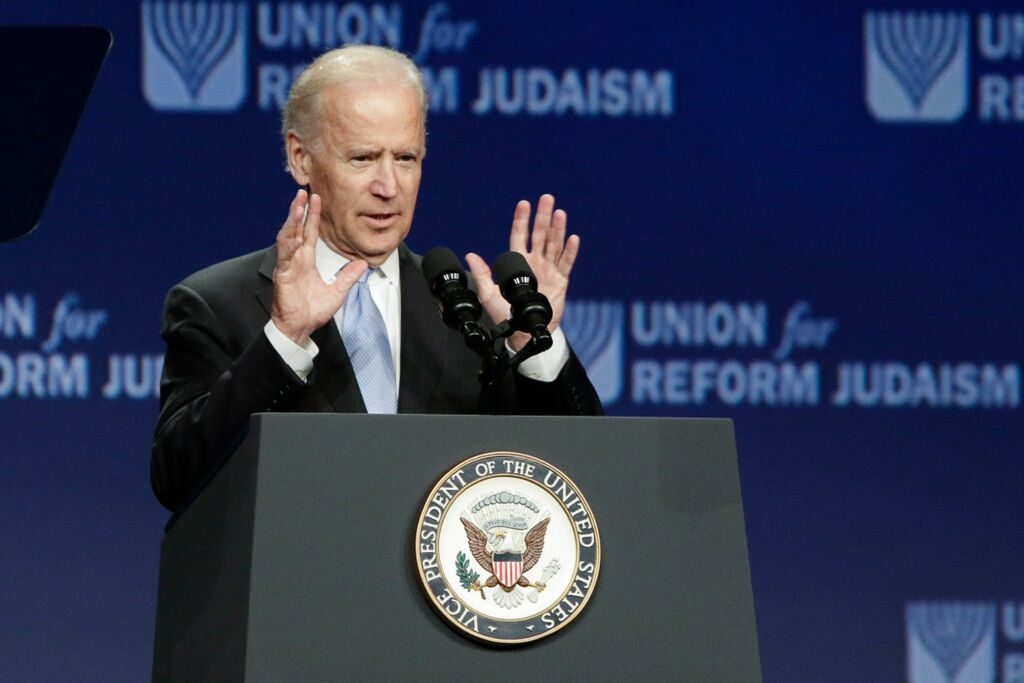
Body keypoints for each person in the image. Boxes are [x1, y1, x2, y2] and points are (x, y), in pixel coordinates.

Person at [151, 45, 602, 511]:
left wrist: (535, 342)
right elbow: (176, 477)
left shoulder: (477, 311)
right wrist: (284, 339)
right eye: (363, 158)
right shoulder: (217, 303)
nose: (389, 187)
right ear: (301, 157)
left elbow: (581, 475)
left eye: (406, 158)